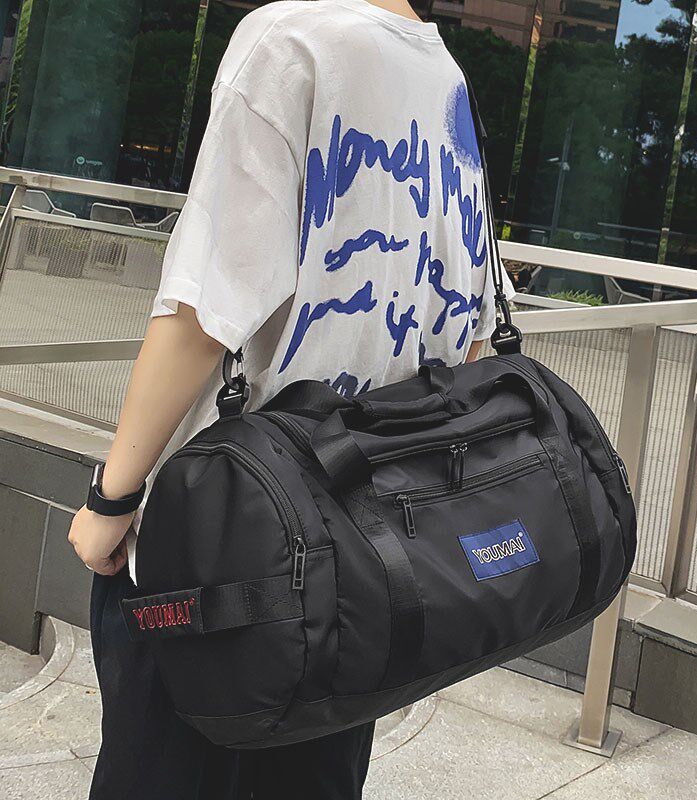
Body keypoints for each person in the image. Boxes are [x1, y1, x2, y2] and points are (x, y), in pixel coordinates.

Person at [68, 0, 514, 797]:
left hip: (220, 555)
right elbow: (472, 336)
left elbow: (206, 311)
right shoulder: (447, 79)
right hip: (367, 566)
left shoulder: (290, 42)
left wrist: (113, 496)